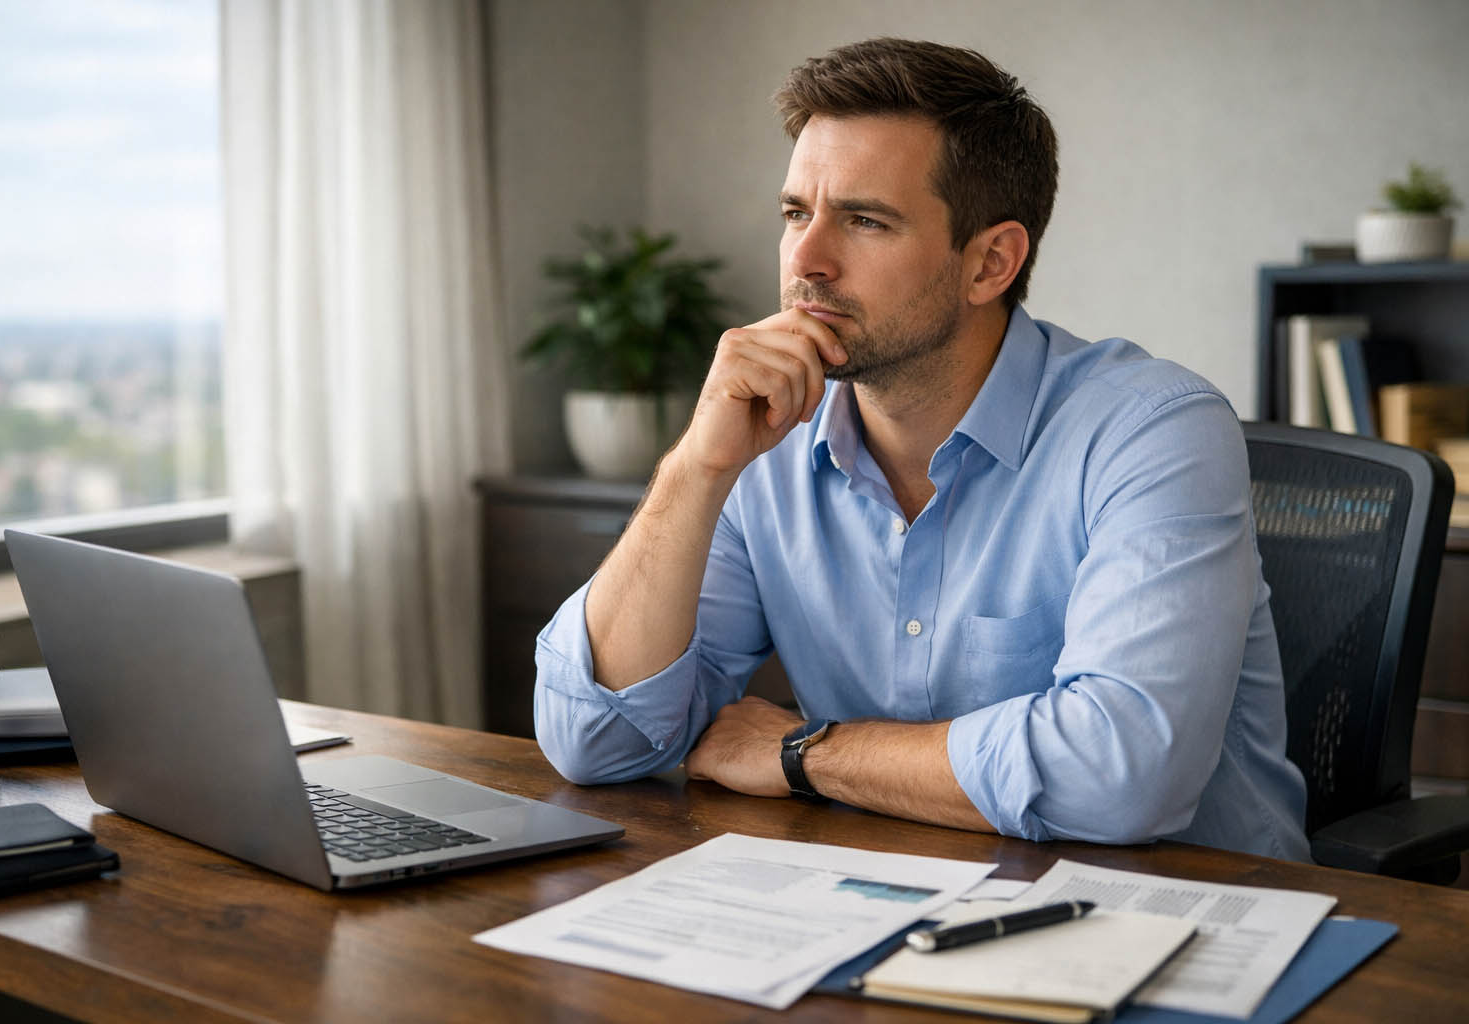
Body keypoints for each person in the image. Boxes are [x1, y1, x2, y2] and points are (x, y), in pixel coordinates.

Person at [532, 37, 1310, 860]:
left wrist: (803, 753)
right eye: (796, 213)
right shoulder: (766, 445)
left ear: (991, 263)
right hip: (896, 904)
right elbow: (597, 740)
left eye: (865, 221)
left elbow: (1120, 777)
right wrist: (697, 468)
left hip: (1193, 924)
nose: (807, 260)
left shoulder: (1154, 430)